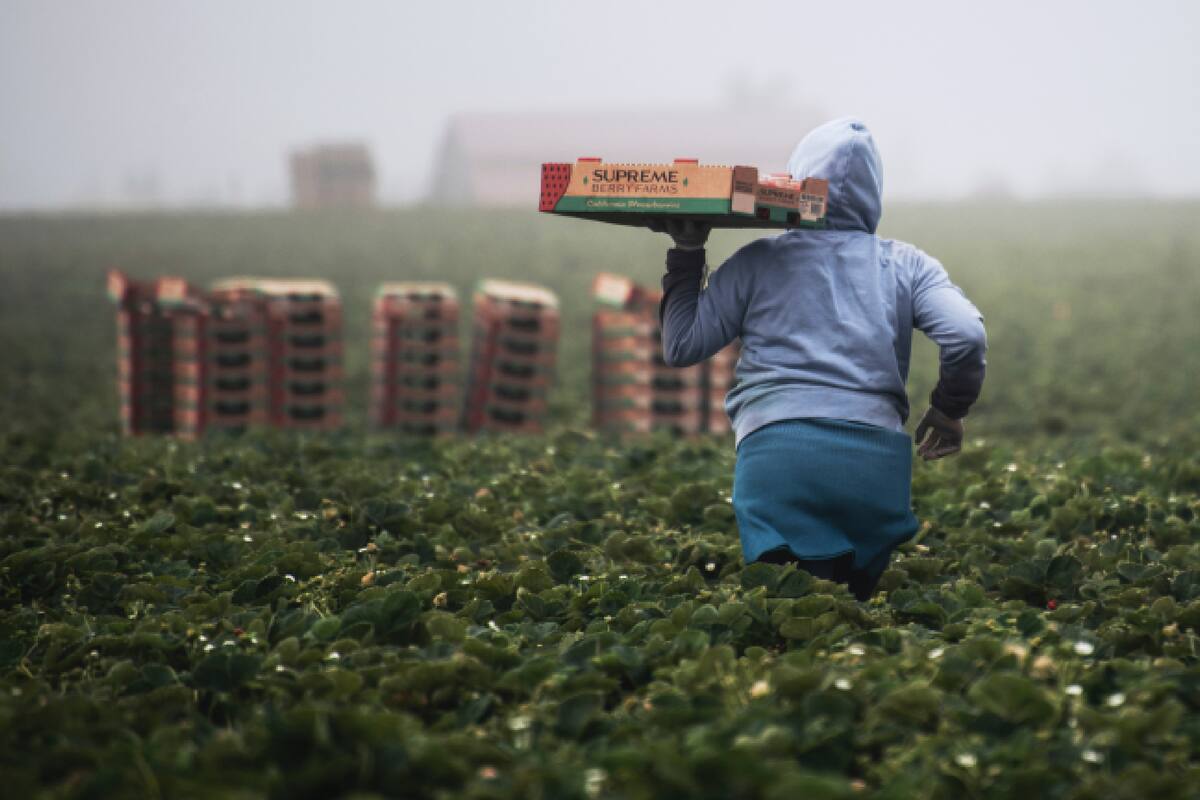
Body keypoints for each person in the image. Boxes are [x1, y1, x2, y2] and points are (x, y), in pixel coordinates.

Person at [655, 118, 986, 601]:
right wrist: (949, 409)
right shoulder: (909, 265)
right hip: (875, 467)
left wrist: (687, 251)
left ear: (795, 184)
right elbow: (966, 334)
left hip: (776, 458)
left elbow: (682, 345)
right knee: (855, 619)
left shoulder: (756, 261)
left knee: (788, 611)